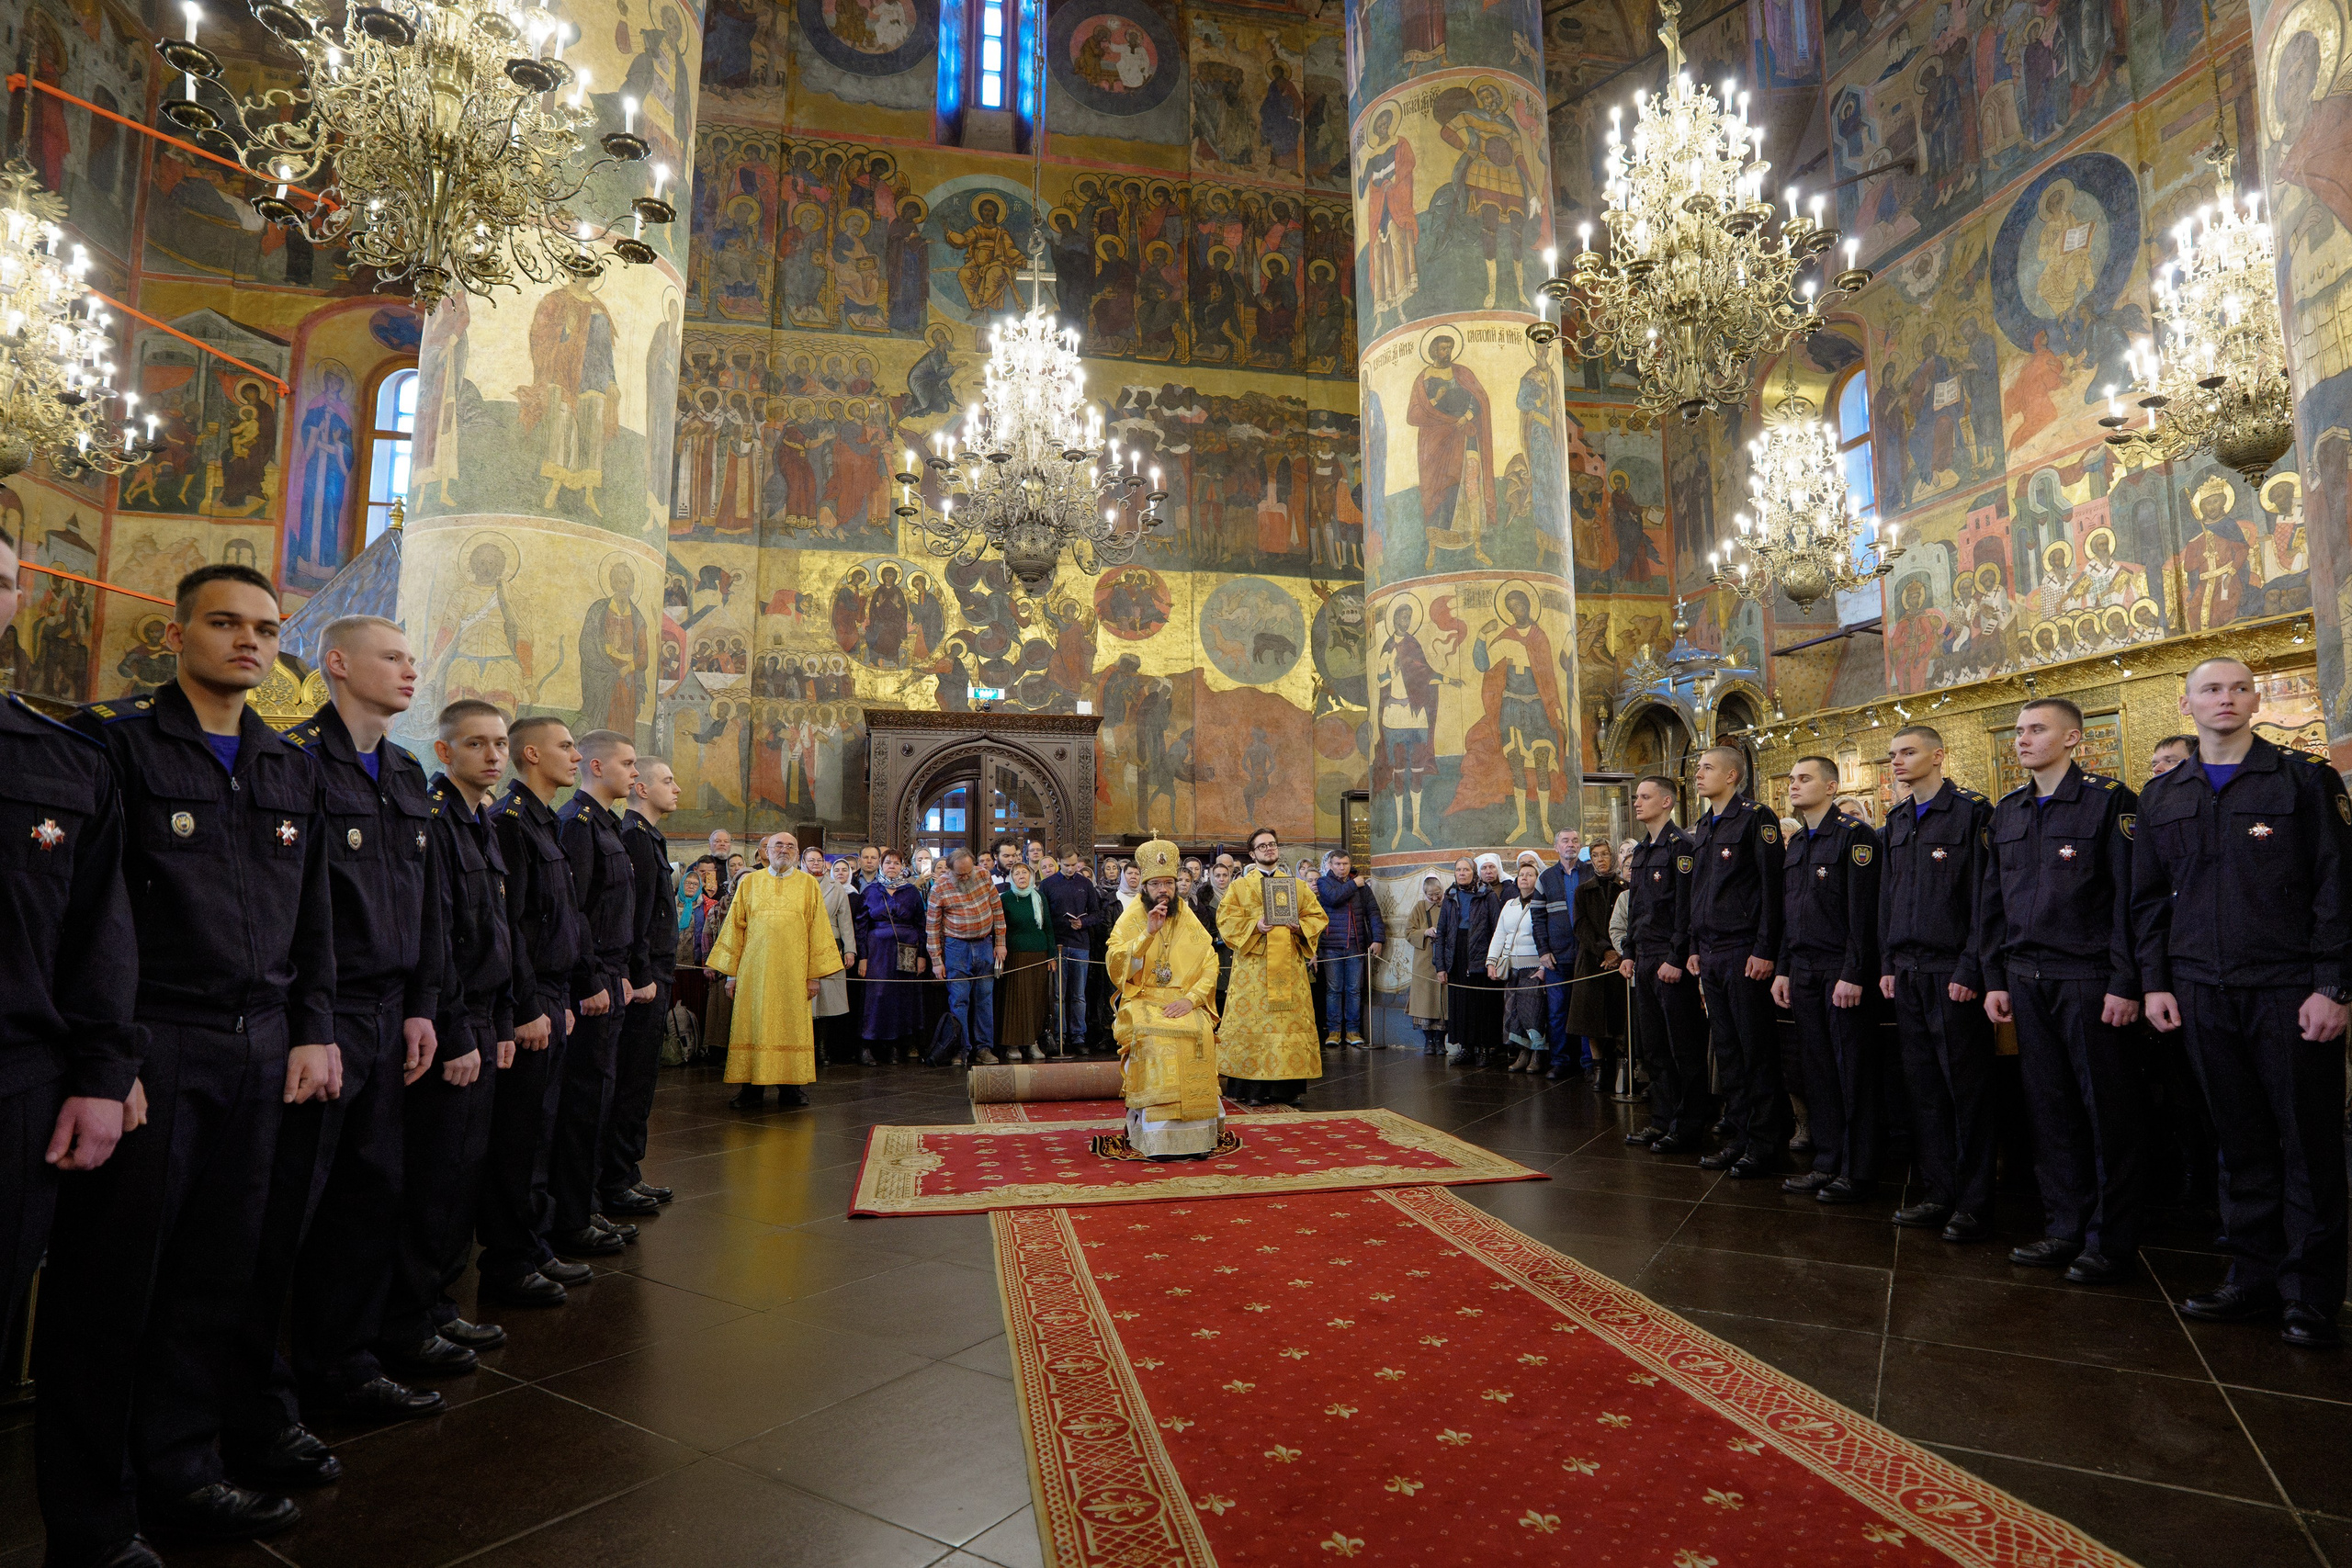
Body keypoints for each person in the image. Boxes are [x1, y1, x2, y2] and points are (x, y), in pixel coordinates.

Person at [47, 563, 336, 1552]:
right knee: (113, 1292)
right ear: (177, 636)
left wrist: (314, 1025)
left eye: (263, 626)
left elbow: (315, 915)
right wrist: (108, 1055)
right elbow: (93, 918)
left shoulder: (285, 761)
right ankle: (94, 1517)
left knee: (216, 1279)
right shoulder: (113, 741)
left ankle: (184, 1470)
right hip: (153, 1045)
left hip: (260, 1050)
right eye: (224, 623)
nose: (248, 640)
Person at [232, 616, 447, 1494]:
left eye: (411, 657)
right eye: (393, 656)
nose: (408, 669)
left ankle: (345, 1363)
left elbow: (427, 905)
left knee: (370, 1195)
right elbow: (302, 909)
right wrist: (314, 1019)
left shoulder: (404, 775)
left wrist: (425, 1006)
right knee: (289, 1212)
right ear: (338, 664)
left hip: (391, 1014)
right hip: (317, 1017)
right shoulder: (295, 763)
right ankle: (261, 1402)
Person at [2133, 658, 2350, 1347]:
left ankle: (2310, 1294)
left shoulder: (2303, 779)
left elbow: (2337, 888)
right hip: (2200, 989)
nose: (2225, 698)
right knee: (2240, 1141)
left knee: (2309, 1143)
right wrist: (2155, 980)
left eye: (2237, 688)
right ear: (2185, 701)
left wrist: (2333, 985)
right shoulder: (2163, 794)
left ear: (2256, 699)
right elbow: (2146, 903)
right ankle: (2251, 1277)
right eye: (2210, 689)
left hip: (2289, 990)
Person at [0, 531, 143, 1564]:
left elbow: (99, 933)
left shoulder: (59, 758)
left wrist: (102, 1075)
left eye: (1, 580)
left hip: (14, 1078)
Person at [378, 699, 521, 1386]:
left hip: (481, 1021)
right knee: (432, 1180)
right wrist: (464, 1029)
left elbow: (496, 935)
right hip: (449, 1028)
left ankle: (436, 1301)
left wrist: (498, 1023)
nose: (493, 755)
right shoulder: (435, 824)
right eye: (477, 744)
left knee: (461, 1175)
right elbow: (438, 942)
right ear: (444, 752)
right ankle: (408, 1315)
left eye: (499, 743)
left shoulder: (480, 825)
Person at [1975, 699, 2143, 1282]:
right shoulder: (2009, 811)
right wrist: (1993, 976)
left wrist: (2127, 981)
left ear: (2073, 737)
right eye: (2018, 730)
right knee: (2048, 1108)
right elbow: (1991, 902)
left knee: (2105, 1110)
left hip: (2090, 978)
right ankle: (2064, 1226)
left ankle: (2110, 1238)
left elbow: (2129, 902)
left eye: (2036, 729)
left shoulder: (2107, 801)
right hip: (2025, 978)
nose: (2022, 739)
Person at [1879, 724, 1998, 1242]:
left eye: (1908, 752)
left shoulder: (1972, 813)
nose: (1898, 762)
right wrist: (1886, 962)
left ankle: (1973, 1200)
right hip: (1907, 970)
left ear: (1938, 755)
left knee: (1964, 1089)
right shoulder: (1898, 818)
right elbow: (1888, 898)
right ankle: (1937, 1190)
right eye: (1892, 755)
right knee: (1923, 1087)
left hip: (1953, 970)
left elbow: (1983, 901)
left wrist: (1973, 967)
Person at [484, 716, 588, 1307]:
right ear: (532, 753)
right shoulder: (512, 823)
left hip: (553, 993)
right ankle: (509, 1260)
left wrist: (564, 995)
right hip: (531, 997)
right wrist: (527, 1004)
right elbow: (513, 926)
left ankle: (535, 1241)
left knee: (542, 1131)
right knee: (520, 1138)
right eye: (566, 746)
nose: (575, 756)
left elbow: (561, 920)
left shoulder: (545, 822)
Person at [1773, 755, 1883, 1205]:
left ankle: (1858, 1169)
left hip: (1840, 970)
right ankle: (1826, 1160)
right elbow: (1789, 913)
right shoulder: (1798, 843)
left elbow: (1864, 914)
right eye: (1792, 779)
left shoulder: (1855, 839)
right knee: (1816, 1068)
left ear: (1832, 787)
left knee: (1851, 1070)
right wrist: (1782, 967)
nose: (1794, 786)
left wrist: (1854, 973)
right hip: (1802, 969)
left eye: (1805, 779)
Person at [548, 731, 640, 1258]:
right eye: (627, 764)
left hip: (610, 974)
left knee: (599, 1099)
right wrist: (590, 980)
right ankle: (570, 1215)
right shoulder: (577, 824)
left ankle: (584, 1207)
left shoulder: (604, 825)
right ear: (599, 766)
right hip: (593, 981)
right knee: (583, 1103)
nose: (635, 774)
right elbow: (576, 912)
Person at [1686, 746, 1787, 1176]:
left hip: (1744, 951)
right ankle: (1742, 1137)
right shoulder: (1705, 825)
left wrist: (1765, 948)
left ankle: (1767, 1144)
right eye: (1697, 768)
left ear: (1732, 775)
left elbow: (1771, 887)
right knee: (1727, 1052)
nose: (1698, 774)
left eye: (1707, 768)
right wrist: (1693, 945)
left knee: (1754, 1049)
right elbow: (1700, 892)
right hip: (1710, 952)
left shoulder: (1755, 817)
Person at [601, 756, 681, 1217]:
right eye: (667, 781)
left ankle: (627, 1171)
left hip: (654, 971)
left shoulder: (647, 834)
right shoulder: (632, 836)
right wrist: (642, 974)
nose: (676, 788)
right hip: (643, 976)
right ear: (643, 790)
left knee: (640, 1079)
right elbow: (633, 917)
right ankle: (616, 1177)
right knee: (630, 1079)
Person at [708, 833, 842, 1107]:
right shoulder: (751, 883)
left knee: (790, 1027)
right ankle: (751, 1090)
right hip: (754, 974)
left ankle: (791, 1088)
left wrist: (814, 976)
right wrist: (732, 974)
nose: (784, 850)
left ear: (797, 853)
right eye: (778, 845)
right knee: (752, 1026)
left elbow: (818, 931)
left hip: (794, 974)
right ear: (766, 851)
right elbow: (735, 928)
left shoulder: (808, 885)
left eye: (791, 846)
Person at [1109, 839, 1224, 1153]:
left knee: (1198, 1030)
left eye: (1169, 883)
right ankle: (1158, 1138)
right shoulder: (1132, 916)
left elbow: (1209, 961)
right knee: (1156, 1039)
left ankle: (1197, 1137)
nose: (1164, 890)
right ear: (1144, 886)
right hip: (1143, 997)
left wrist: (1192, 1000)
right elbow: (1116, 963)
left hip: (1182, 998)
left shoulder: (1187, 916)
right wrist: (1147, 934)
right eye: (1156, 883)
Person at [1622, 775, 1705, 1151]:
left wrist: (1676, 956)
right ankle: (1662, 1118)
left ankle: (1688, 1125)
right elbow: (1637, 907)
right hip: (1644, 957)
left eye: (1644, 796)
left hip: (1670, 961)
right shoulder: (1641, 851)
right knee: (1653, 1046)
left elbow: (1686, 909)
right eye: (1635, 797)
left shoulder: (1681, 846)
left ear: (1667, 801)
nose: (1636, 802)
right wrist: (1627, 951)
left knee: (1682, 1046)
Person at [1218, 828, 1329, 1105]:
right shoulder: (1239, 887)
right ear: (1252, 853)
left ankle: (1286, 1091)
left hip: (1290, 968)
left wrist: (1300, 927)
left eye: (1273, 845)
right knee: (1256, 1024)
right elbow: (1225, 920)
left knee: (1287, 1026)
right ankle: (1252, 1090)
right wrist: (1254, 925)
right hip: (1253, 972)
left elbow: (1318, 916)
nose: (1269, 849)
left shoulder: (1297, 885)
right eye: (1263, 846)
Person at [927, 846, 1007, 1066]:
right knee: (959, 1000)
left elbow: (997, 910)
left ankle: (984, 1048)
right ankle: (961, 1050)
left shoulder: (983, 875)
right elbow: (932, 927)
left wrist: (1001, 943)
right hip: (956, 948)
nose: (965, 876)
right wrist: (936, 960)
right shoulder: (939, 888)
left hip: (984, 944)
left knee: (985, 999)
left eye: (967, 872)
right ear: (950, 870)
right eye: (960, 874)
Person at [858, 851, 928, 1063]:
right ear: (881, 865)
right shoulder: (870, 892)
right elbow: (860, 926)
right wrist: (863, 956)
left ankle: (897, 1045)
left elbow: (921, 924)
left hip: (907, 949)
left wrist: (922, 955)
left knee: (902, 996)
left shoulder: (911, 892)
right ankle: (868, 1045)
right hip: (877, 951)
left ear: (902, 867)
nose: (892, 866)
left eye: (896, 863)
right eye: (888, 862)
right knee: (877, 996)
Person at [1566, 840, 1626, 1088]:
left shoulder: (1625, 887)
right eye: (1595, 855)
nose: (1600, 859)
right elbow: (1581, 925)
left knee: (1620, 1017)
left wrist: (1619, 952)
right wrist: (1604, 951)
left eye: (1604, 854)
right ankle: (1599, 1067)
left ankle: (1623, 1067)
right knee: (1591, 1019)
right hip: (1592, 960)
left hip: (1621, 959)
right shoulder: (1583, 890)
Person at [1436, 855, 1502, 1064]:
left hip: (1480, 952)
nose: (1462, 873)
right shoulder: (1450, 897)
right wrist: (1441, 966)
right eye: (1458, 870)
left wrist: (1494, 959)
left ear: (1474, 872)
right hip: (1457, 953)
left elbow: (1497, 929)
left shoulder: (1487, 895)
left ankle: (1484, 1049)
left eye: (1466, 870)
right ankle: (1465, 1047)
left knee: (1480, 1003)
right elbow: (1442, 933)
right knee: (1460, 1003)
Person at [1314, 849, 1384, 1046]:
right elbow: (1333, 898)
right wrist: (1354, 884)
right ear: (1330, 865)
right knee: (1334, 989)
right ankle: (1334, 1031)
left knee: (1354, 989)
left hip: (1356, 944)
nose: (1341, 868)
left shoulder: (1361, 887)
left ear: (1349, 864)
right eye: (1337, 864)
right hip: (1331, 945)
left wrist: (1378, 939)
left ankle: (1353, 1031)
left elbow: (1373, 912)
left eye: (1345, 864)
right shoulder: (1324, 882)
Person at [1487, 861, 1549, 1072]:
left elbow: (1547, 936)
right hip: (1512, 967)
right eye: (1521, 874)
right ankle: (1523, 1052)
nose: (1524, 878)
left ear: (1537, 879)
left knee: (1534, 1013)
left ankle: (1537, 1055)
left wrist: (1544, 968)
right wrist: (1491, 961)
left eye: (1530, 875)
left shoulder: (1543, 903)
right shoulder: (1510, 905)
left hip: (1533, 967)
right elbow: (1500, 934)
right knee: (1515, 1014)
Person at [1044, 849, 1104, 1055]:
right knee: (1058, 995)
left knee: (1079, 995)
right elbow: (1044, 917)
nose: (1071, 869)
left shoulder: (1085, 884)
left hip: (1080, 945)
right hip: (1059, 944)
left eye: (1074, 864)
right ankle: (1059, 1035)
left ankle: (1078, 1037)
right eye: (1066, 865)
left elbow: (1098, 914)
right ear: (1059, 862)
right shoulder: (1048, 884)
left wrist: (1083, 922)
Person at [1534, 829, 1585, 1077]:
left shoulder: (1590, 873)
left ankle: (1590, 1064)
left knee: (1587, 1011)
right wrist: (1543, 951)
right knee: (1557, 1012)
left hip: (1587, 956)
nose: (1570, 845)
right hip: (1557, 958)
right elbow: (1537, 918)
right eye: (1565, 841)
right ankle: (1560, 1061)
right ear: (1556, 847)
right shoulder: (1545, 878)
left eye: (1575, 840)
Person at [1000, 861, 1057, 1061]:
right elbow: (1000, 928)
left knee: (1035, 1000)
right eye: (1017, 873)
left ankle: (1032, 1042)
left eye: (1025, 873)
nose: (1021, 876)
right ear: (1012, 878)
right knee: (1015, 1000)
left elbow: (1048, 926)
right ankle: (1013, 1044)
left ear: (1031, 876)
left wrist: (1051, 955)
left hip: (1038, 954)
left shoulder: (1039, 897)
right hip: (1015, 954)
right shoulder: (1005, 898)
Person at [801, 847, 854, 1061]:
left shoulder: (836, 887)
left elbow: (846, 920)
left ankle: (821, 1048)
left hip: (830, 943)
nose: (815, 863)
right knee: (804, 998)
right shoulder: (796, 883)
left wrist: (850, 949)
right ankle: (805, 1048)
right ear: (803, 862)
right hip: (801, 944)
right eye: (811, 860)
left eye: (819, 860)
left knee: (826, 999)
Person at [1405, 874, 1448, 1054]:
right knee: (1425, 1002)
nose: (1435, 898)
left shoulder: (1448, 905)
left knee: (1443, 1002)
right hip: (1424, 961)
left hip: (1444, 959)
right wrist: (1425, 932)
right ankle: (1428, 1042)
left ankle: (1441, 1042)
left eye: (1438, 894)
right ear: (1425, 893)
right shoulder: (1419, 908)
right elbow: (1408, 932)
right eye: (1430, 895)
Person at [1196, 860, 1236, 1011]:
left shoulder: (1236, 895)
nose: (1221, 879)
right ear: (1212, 877)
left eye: (1225, 875)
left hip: (1233, 948)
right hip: (1216, 948)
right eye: (1218, 875)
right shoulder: (1204, 898)